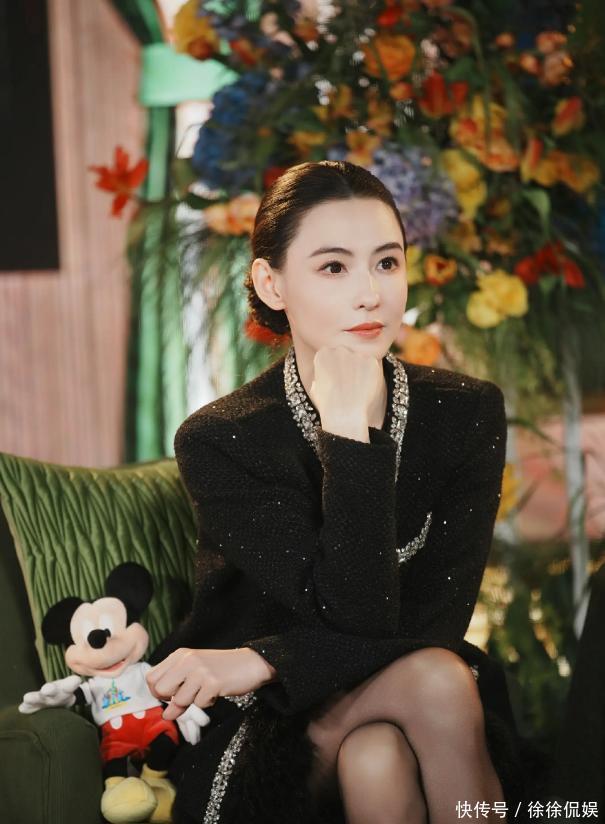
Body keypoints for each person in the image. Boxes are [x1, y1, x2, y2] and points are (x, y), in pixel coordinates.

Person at [146, 160, 526, 824]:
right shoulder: (222, 438)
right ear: (271, 283)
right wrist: (347, 432)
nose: (370, 294)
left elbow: (431, 625)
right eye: (333, 267)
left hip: (398, 692)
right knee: (436, 679)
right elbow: (358, 613)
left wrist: (261, 660)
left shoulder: (466, 411)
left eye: (386, 263)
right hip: (267, 721)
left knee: (378, 754)